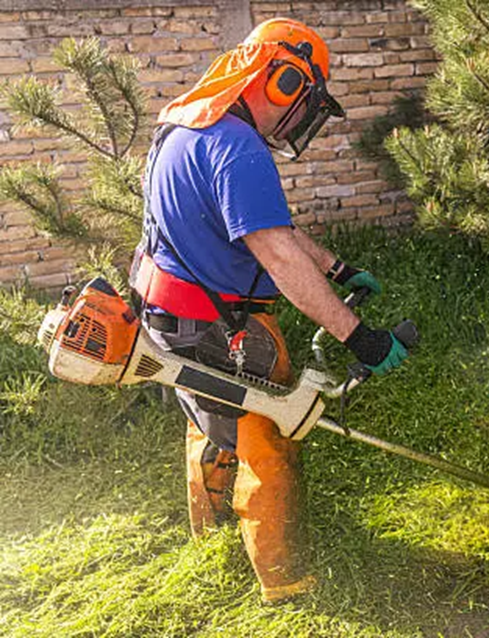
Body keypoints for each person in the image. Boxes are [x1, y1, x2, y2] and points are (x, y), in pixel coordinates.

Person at [128, 18, 407, 604]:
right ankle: (287, 585)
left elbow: (263, 228)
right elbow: (277, 255)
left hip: (170, 321)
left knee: (211, 427)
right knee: (270, 443)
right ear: (280, 80)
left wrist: (334, 269)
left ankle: (211, 536)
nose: (301, 119)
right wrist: (361, 338)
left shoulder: (185, 125)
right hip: (225, 329)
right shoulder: (238, 147)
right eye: (303, 100)